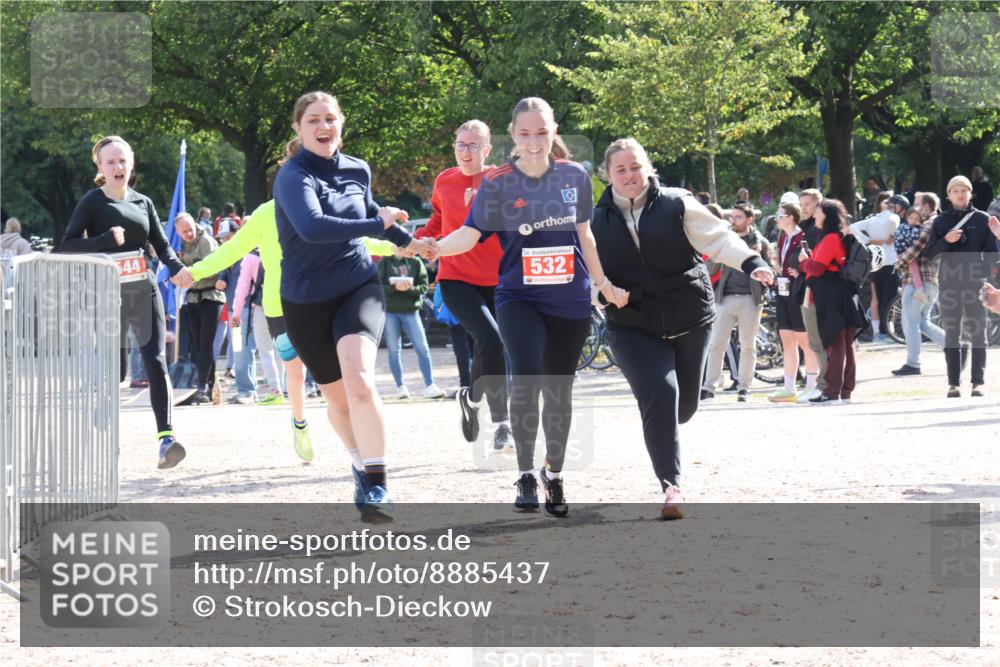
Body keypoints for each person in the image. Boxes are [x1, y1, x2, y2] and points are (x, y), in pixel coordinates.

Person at [431, 97, 627, 518]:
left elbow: (585, 236)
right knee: (526, 382)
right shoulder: (498, 183)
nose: (534, 141)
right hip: (518, 296)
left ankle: (553, 474)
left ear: (553, 132)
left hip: (569, 299)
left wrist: (603, 284)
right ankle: (523, 473)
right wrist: (433, 247)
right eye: (525, 133)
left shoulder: (574, 175)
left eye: (542, 132)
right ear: (512, 136)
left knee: (558, 390)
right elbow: (469, 234)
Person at [175, 137, 399, 465]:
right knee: (294, 373)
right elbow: (231, 251)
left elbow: (356, 240)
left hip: (331, 299)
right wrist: (193, 271)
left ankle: (362, 448)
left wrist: (395, 247)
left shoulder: (326, 205)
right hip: (283, 307)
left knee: (348, 374)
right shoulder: (266, 214)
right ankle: (300, 422)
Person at [590, 138, 773, 519]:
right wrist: (604, 294)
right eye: (620, 169)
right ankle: (672, 486)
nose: (629, 175)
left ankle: (663, 433)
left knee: (683, 407)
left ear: (648, 168)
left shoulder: (676, 203)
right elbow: (586, 274)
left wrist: (751, 261)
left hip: (690, 317)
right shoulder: (595, 221)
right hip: (632, 325)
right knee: (660, 393)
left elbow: (719, 238)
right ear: (607, 175)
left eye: (636, 166)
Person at [273, 91, 431, 521]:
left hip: (357, 286)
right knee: (338, 401)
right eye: (313, 121)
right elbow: (312, 227)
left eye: (330, 119)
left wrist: (410, 243)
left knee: (359, 378)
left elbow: (369, 209)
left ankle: (379, 486)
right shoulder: (293, 175)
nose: (323, 127)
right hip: (305, 300)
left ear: (341, 122)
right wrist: (376, 225)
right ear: (298, 129)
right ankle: (359, 465)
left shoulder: (357, 168)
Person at [62, 135, 187, 469]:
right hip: (107, 296)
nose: (118, 167)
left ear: (131, 163)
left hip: (143, 291)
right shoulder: (92, 202)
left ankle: (166, 440)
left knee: (156, 362)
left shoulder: (143, 203)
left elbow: (162, 246)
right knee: (114, 371)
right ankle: (103, 432)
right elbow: (67, 244)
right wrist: (103, 240)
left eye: (122, 160)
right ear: (100, 167)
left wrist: (177, 268)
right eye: (110, 162)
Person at [414, 120, 512, 448]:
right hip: (455, 278)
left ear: (486, 150)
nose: (465, 151)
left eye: (473, 146)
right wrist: (417, 240)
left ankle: (470, 398)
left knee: (491, 345)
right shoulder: (445, 180)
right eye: (460, 144)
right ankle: (502, 424)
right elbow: (439, 220)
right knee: (492, 341)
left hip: (499, 280)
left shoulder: (501, 179)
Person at [923, 176, 999, 398]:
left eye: (964, 190)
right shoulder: (940, 222)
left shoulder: (983, 219)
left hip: (975, 283)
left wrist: (984, 277)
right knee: (952, 333)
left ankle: (978, 383)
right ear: (948, 195)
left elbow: (992, 256)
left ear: (971, 193)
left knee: (979, 333)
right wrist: (946, 239)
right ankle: (953, 384)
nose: (960, 194)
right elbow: (930, 254)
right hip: (948, 283)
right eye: (955, 190)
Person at [798, 199, 868, 404]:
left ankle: (832, 391)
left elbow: (817, 269)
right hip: (843, 293)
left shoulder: (830, 238)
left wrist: (804, 262)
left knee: (835, 343)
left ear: (827, 216)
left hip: (831, 295)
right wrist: (811, 261)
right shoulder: (840, 235)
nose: (815, 216)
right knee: (846, 343)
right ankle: (844, 390)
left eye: (818, 212)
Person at [702, 203, 772, 402]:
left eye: (738, 217)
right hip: (724, 299)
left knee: (748, 345)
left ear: (750, 220)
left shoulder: (761, 243)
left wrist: (758, 257)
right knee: (716, 344)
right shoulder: (726, 240)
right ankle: (709, 387)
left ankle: (744, 387)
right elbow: (711, 268)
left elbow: (772, 272)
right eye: (732, 216)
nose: (733, 221)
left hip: (751, 299)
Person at [768, 201, 821, 402]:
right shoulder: (783, 237)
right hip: (783, 290)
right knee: (787, 339)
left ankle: (811, 385)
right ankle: (789, 387)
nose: (777, 218)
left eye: (780, 215)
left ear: (791, 216)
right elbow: (781, 263)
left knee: (805, 342)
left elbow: (810, 261)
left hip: (798, 291)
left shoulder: (803, 237)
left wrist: (800, 269)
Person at [377, 244, 445, 399]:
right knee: (394, 350)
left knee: (423, 348)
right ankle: (400, 387)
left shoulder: (416, 262)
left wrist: (409, 288)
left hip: (411, 311)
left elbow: (423, 287)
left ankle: (430, 385)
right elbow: (377, 286)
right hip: (390, 312)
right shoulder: (385, 262)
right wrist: (394, 287)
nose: (402, 248)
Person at [175, 212, 224, 404]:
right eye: (184, 231)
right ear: (178, 232)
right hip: (193, 297)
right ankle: (209, 385)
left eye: (190, 229)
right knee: (197, 346)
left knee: (205, 343)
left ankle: (202, 387)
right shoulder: (180, 245)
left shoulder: (207, 242)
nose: (188, 234)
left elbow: (213, 267)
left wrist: (189, 272)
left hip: (211, 296)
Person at [892, 207, 945, 375]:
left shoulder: (926, 228)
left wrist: (898, 264)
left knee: (912, 323)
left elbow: (911, 254)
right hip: (931, 282)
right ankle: (954, 345)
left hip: (916, 283)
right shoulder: (938, 226)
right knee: (923, 322)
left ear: (927, 207)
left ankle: (913, 363)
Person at [850, 193, 904, 342]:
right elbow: (893, 237)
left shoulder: (872, 220)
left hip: (876, 262)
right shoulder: (893, 218)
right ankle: (885, 330)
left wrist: (868, 240)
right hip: (890, 261)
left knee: (877, 297)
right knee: (889, 297)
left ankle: (878, 332)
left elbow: (852, 227)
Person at [796, 188, 829, 401]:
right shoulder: (807, 229)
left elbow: (816, 266)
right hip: (809, 287)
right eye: (801, 205)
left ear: (818, 204)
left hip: (818, 289)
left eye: (807, 204)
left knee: (819, 342)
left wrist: (802, 262)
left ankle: (824, 384)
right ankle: (822, 383)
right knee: (816, 341)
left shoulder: (819, 231)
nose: (803, 209)